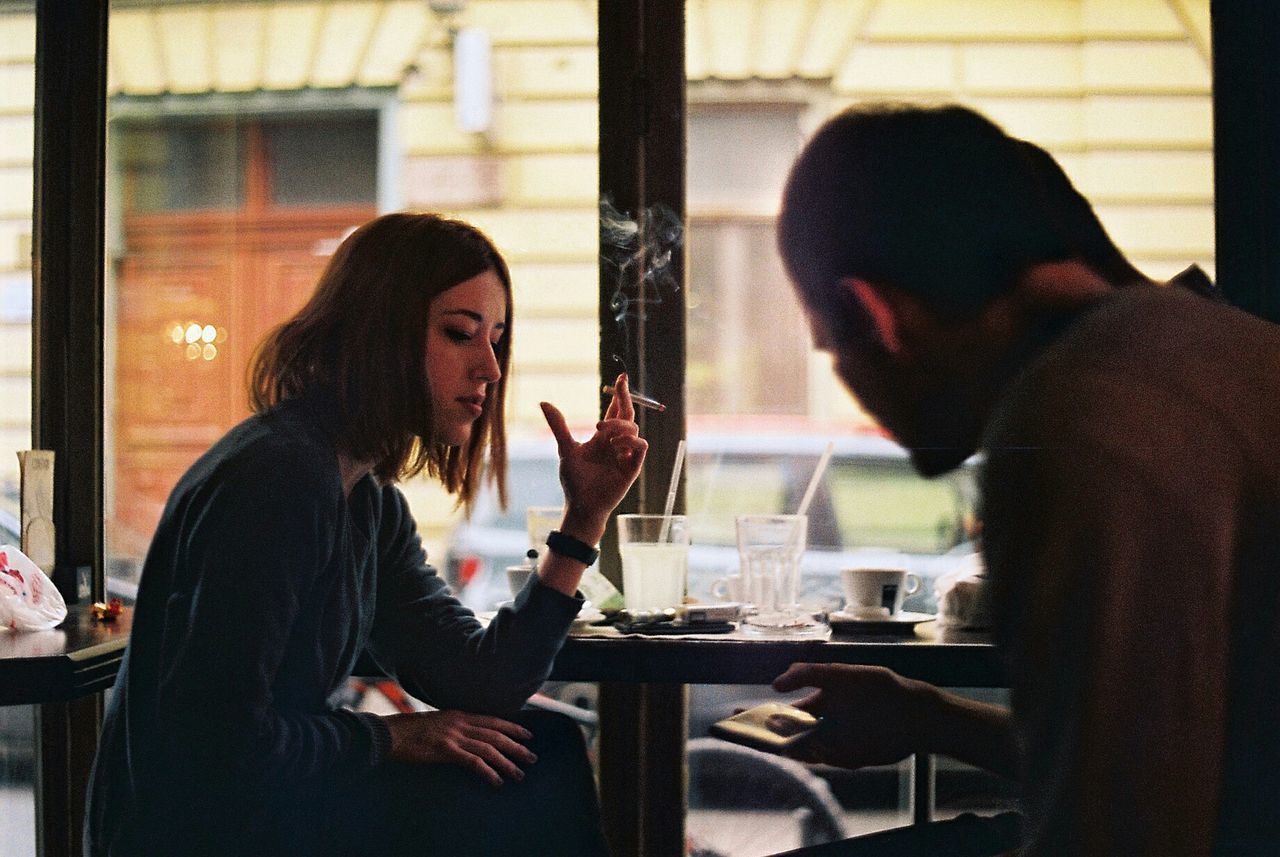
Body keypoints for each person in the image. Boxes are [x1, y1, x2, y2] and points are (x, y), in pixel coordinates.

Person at [766, 102, 1280, 856]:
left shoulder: (1076, 422)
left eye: (827, 345)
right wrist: (927, 716)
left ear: (871, 313)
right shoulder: (1228, 351)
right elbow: (1187, 756)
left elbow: (1117, 830)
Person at [85, 212, 647, 856]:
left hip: (274, 808)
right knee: (532, 772)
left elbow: (480, 681)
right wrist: (392, 737)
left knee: (536, 750)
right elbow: (216, 743)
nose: (490, 369)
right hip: (198, 831)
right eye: (461, 334)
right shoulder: (280, 477)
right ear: (381, 335)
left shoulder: (367, 501)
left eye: (497, 338)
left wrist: (583, 522)